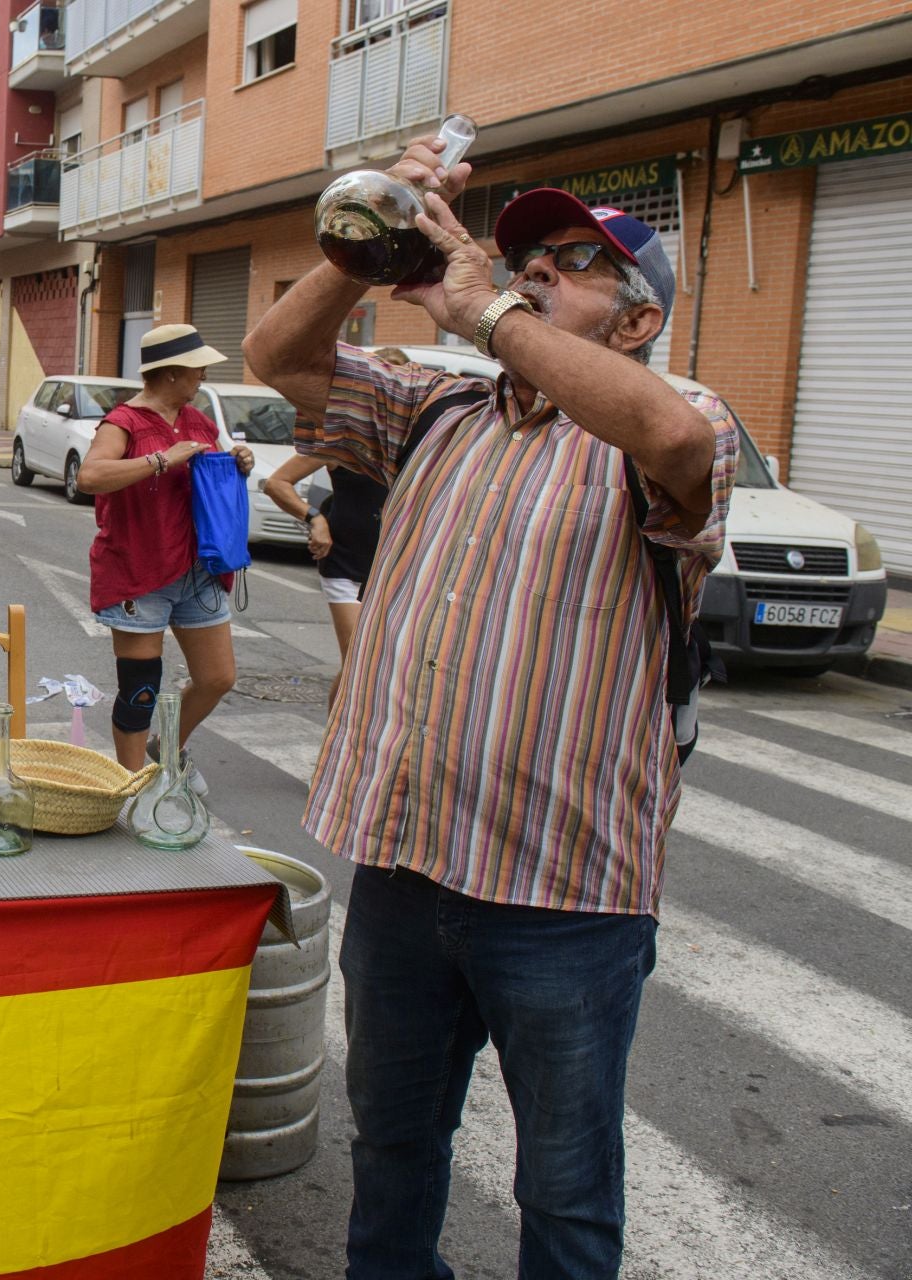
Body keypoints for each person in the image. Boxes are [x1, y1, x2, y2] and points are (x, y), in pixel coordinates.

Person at [242, 131, 737, 1279]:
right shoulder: (437, 412)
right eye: (524, 253)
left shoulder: (677, 417)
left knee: (563, 1191)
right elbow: (275, 351)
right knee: (396, 1143)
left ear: (638, 321)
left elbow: (664, 435)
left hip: (563, 893)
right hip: (406, 869)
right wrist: (386, 238)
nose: (535, 269)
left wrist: (482, 311)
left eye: (575, 259)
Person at [74, 323, 253, 787]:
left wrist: (237, 462)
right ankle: (133, 784)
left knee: (217, 676)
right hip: (139, 569)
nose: (203, 377)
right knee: (140, 688)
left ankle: (166, 749)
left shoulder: (199, 421)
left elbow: (206, 477)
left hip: (200, 567)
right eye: (198, 369)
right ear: (172, 373)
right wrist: (161, 459)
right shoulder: (123, 423)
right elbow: (90, 476)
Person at [259, 348, 412, 701]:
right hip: (347, 560)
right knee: (359, 663)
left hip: (398, 563)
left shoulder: (418, 440)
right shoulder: (342, 438)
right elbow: (276, 483)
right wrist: (315, 518)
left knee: (389, 666)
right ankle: (336, 750)